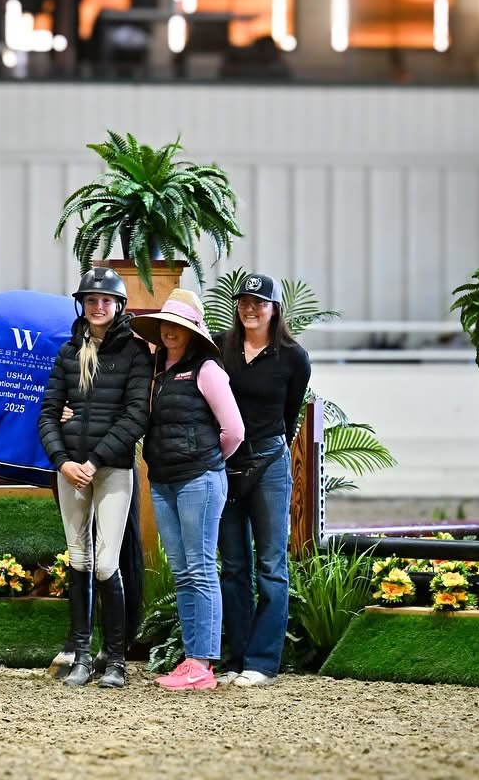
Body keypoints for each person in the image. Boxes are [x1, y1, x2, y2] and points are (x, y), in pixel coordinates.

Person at [37, 268, 152, 689]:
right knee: (78, 559)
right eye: (91, 300)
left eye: (105, 301)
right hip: (70, 470)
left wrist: (95, 460)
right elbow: (48, 413)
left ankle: (116, 658)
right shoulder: (69, 353)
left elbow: (136, 415)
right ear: (82, 306)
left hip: (112, 469)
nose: (98, 306)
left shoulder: (136, 354)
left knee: (106, 563)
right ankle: (82, 656)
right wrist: (63, 461)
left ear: (119, 306)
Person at [131, 288, 244, 691]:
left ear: (192, 331)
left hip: (199, 479)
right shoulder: (157, 372)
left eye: (177, 325)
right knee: (182, 571)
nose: (169, 331)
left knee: (200, 568)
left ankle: (202, 663)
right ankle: (193, 659)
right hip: (163, 481)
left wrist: (206, 461)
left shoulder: (207, 369)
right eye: (165, 324)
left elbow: (234, 431)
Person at [215, 274, 311, 688]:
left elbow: (290, 415)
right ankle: (236, 657)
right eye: (244, 302)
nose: (250, 309)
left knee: (271, 564)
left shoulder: (293, 357)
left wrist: (268, 447)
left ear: (274, 308)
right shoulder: (220, 347)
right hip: (225, 460)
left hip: (270, 460)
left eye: (259, 302)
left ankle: (263, 661)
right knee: (234, 565)